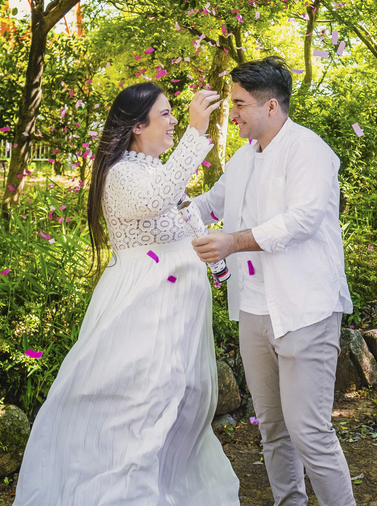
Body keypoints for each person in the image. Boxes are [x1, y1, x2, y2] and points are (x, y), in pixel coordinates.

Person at [13, 83, 240, 506]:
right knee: (141, 410)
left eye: (176, 114)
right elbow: (156, 202)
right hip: (145, 311)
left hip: (179, 316)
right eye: (166, 114)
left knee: (179, 409)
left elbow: (183, 213)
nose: (174, 121)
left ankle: (162, 490)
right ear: (138, 126)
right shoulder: (122, 174)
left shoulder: (156, 170)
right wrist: (195, 132)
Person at [191, 56, 356, 506]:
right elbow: (208, 203)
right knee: (273, 429)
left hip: (304, 309)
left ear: (270, 107)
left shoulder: (311, 151)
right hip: (253, 311)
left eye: (240, 104)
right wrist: (159, 208)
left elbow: (301, 221)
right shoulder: (243, 159)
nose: (235, 113)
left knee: (310, 433)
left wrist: (232, 243)